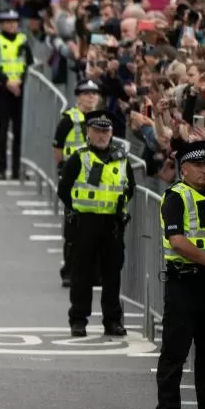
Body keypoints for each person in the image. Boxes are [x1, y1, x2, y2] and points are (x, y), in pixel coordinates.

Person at [156, 140, 205, 409]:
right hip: (184, 282)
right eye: (198, 165)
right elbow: (177, 241)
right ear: (184, 169)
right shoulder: (176, 197)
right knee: (175, 350)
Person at [57, 110, 135, 338]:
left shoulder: (121, 159)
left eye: (106, 131)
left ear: (111, 134)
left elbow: (131, 186)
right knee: (82, 273)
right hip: (85, 223)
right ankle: (78, 320)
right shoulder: (79, 157)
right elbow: (64, 189)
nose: (102, 135)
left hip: (111, 224)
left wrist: (118, 205)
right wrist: (79, 208)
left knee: (112, 274)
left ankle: (112, 320)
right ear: (88, 133)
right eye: (97, 131)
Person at [53, 79, 102, 287]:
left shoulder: (102, 120)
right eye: (86, 93)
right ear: (78, 97)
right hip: (74, 178)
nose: (91, 96)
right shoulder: (68, 120)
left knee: (97, 226)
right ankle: (70, 271)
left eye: (94, 93)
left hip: (96, 177)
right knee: (73, 227)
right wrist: (64, 169)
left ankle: (94, 273)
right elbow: (58, 148)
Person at [0, 10, 33, 180]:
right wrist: (8, 82)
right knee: (1, 130)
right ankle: (0, 168)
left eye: (14, 21)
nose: (12, 25)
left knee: (20, 132)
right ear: (1, 24)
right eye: (7, 22)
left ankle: (17, 169)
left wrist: (20, 81)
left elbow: (29, 64)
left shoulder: (23, 40)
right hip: (2, 89)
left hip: (20, 91)